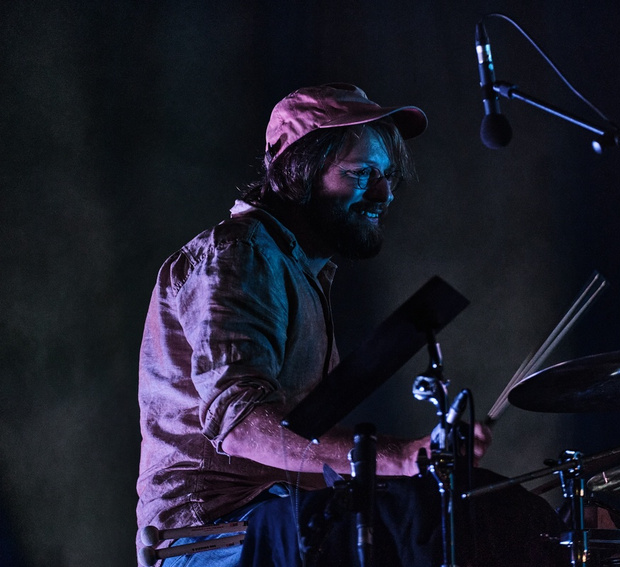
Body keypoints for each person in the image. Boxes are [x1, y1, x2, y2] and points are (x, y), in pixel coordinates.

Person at [136, 83, 562, 567]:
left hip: (281, 521)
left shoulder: (299, 270)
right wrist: (401, 457)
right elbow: (241, 426)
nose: (383, 194)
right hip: (213, 539)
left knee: (474, 512)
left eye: (387, 176)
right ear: (298, 171)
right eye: (361, 174)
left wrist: (420, 459)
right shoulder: (243, 253)